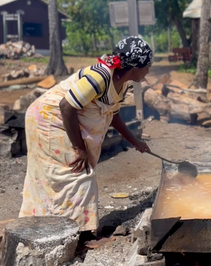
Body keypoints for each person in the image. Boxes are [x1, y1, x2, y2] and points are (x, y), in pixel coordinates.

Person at [19, 36, 152, 244]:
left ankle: (65, 232)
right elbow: (66, 106)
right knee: (77, 174)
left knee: (71, 175)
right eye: (148, 66)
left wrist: (134, 141)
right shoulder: (100, 76)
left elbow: (113, 114)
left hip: (62, 119)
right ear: (135, 66)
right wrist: (79, 148)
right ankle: (77, 236)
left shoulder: (122, 84)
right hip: (49, 119)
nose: (149, 71)